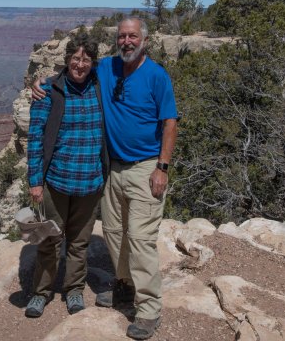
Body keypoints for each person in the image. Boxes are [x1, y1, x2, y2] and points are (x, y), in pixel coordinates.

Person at [32, 17, 177, 340]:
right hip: (111, 168)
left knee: (140, 239)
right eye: (122, 36)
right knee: (113, 233)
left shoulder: (156, 75)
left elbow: (170, 123)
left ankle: (149, 310)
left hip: (145, 167)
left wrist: (162, 168)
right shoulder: (107, 68)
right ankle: (124, 287)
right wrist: (40, 83)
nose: (127, 41)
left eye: (133, 36)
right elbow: (72, 73)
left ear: (144, 41)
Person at [24, 34, 110, 319]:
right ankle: (41, 292)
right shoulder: (50, 90)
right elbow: (35, 137)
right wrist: (35, 181)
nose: (80, 64)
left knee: (79, 242)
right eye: (76, 58)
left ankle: (73, 289)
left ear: (93, 63)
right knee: (50, 240)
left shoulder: (100, 87)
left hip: (91, 182)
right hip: (56, 182)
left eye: (86, 59)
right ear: (67, 60)